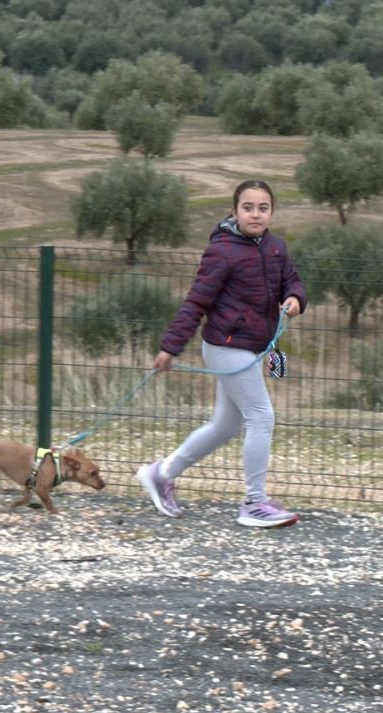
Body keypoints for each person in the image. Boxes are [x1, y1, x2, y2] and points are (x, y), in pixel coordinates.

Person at [137, 179, 306, 528]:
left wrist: (294, 299)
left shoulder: (276, 248)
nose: (255, 214)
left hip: (254, 345)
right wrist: (170, 347)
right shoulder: (222, 251)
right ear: (234, 211)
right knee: (261, 416)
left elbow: (291, 281)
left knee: (226, 426)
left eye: (263, 208)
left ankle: (161, 473)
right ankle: (254, 504)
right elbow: (196, 302)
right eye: (248, 207)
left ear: (272, 212)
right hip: (226, 346)